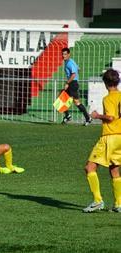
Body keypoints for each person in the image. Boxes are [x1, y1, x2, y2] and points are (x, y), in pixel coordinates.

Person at [82, 69, 121, 213]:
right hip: (120, 138)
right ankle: (118, 204)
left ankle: (98, 201)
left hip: (109, 137)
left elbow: (110, 117)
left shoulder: (108, 98)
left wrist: (97, 115)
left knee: (89, 168)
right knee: (114, 169)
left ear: (105, 83)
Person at [61, 48, 92, 126]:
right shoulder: (71, 61)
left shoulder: (69, 63)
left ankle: (88, 118)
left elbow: (74, 74)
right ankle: (67, 115)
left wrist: (67, 83)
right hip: (72, 83)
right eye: (62, 54)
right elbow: (78, 69)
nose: (63, 56)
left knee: (76, 102)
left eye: (65, 54)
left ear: (68, 54)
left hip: (72, 84)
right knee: (62, 99)